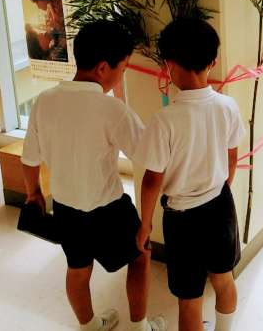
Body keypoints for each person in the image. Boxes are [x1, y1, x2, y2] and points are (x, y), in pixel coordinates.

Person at [21, 20, 167, 331]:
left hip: (66, 207)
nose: (121, 76)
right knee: (140, 256)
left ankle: (90, 327)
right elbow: (149, 156)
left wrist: (34, 193)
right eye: (122, 69)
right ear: (103, 68)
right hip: (108, 208)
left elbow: (29, 159)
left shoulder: (44, 101)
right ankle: (139, 327)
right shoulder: (112, 109)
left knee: (78, 269)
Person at [136, 18, 246, 331]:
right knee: (224, 279)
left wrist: (145, 224)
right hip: (220, 206)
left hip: (182, 218)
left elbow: (152, 180)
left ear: (169, 65)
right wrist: (218, 189)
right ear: (213, 62)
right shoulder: (227, 106)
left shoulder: (164, 120)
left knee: (189, 299)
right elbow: (232, 157)